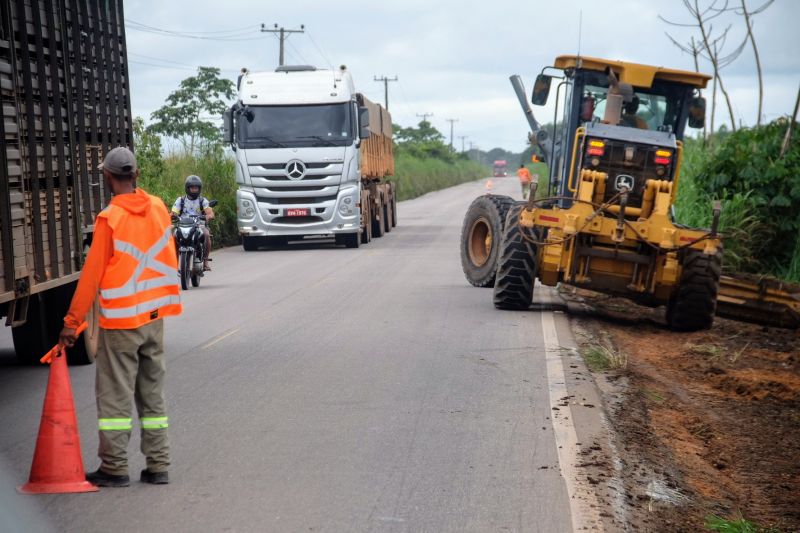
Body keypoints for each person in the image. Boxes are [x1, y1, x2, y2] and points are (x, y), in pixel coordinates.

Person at [59, 147, 182, 488]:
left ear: (108, 177)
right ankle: (159, 465)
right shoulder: (158, 207)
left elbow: (91, 277)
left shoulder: (109, 219)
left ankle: (114, 467)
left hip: (121, 324)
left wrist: (71, 324)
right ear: (137, 175)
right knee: (152, 392)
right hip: (154, 318)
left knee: (114, 394)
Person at [171, 175, 214, 271]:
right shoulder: (180, 200)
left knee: (206, 234)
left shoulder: (203, 201)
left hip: (199, 225)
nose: (194, 190)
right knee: (174, 236)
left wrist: (207, 216)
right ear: (187, 188)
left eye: (196, 188)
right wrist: (172, 215)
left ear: (199, 188)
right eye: (192, 187)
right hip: (183, 225)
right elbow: (173, 212)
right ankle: (175, 262)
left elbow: (210, 213)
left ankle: (205, 262)